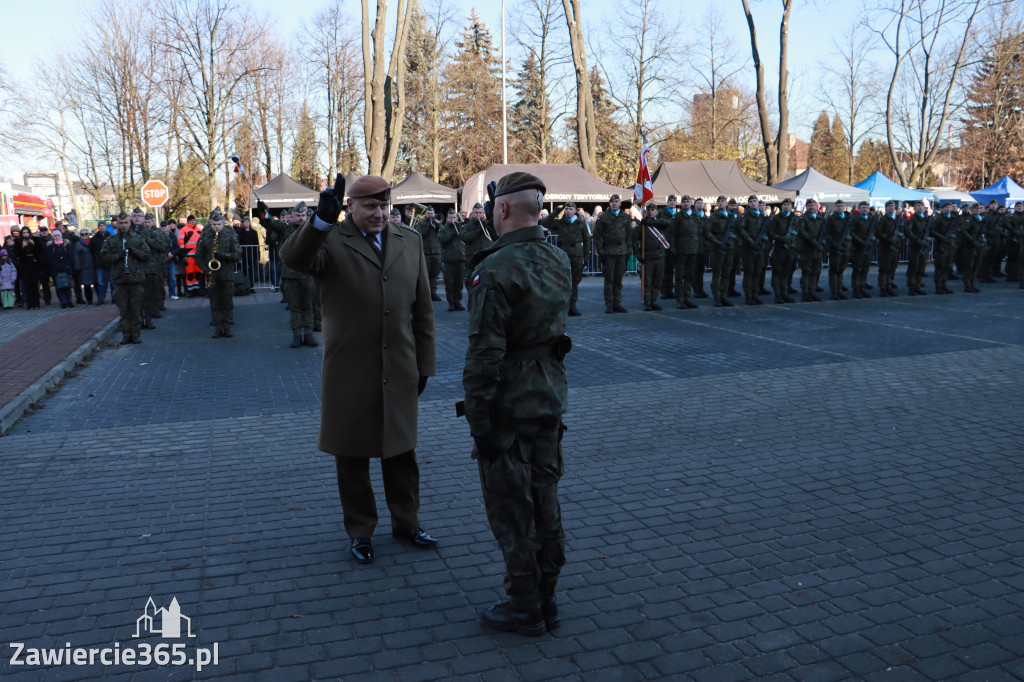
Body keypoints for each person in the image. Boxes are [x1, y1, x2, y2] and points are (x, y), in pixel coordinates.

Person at [279, 174, 438, 565]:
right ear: (351, 206)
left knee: (402, 453)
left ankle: (407, 521)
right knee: (352, 457)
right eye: (370, 206)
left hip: (400, 365)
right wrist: (320, 221)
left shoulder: (410, 240)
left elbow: (423, 311)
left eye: (384, 206)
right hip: (350, 367)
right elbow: (294, 260)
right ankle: (360, 530)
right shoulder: (330, 240)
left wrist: (425, 365)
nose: (379, 213)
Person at [461, 171, 571, 636]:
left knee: (511, 507)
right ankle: (547, 598)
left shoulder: (497, 267)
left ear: (501, 209)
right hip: (548, 395)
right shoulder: (559, 258)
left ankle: (524, 603)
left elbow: (485, 354)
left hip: (508, 403)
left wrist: (479, 421)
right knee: (546, 500)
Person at [256, 201, 318, 347]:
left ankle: (308, 333)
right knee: (295, 306)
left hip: (308, 274)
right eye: (298, 215)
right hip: (290, 274)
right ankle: (297, 334)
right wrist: (263, 211)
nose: (301, 218)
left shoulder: (313, 230)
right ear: (292, 216)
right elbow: (269, 223)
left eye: (303, 215)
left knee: (308, 305)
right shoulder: (285, 228)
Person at [100, 212, 151, 344]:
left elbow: (146, 254)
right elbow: (103, 257)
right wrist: (118, 256)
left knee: (136, 309)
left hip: (136, 279)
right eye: (121, 223)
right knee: (123, 309)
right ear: (117, 224)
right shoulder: (111, 240)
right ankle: (126, 333)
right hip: (120, 279)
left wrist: (133, 250)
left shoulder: (137, 238)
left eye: (126, 223)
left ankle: (135, 334)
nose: (123, 226)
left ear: (130, 223)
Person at [194, 209, 241, 338]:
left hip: (227, 275)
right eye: (214, 224)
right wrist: (205, 269)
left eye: (219, 224)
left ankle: (227, 327)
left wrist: (223, 256)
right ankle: (217, 327)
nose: (216, 227)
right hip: (211, 275)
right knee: (214, 302)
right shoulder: (205, 237)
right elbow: (198, 256)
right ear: (210, 223)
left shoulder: (230, 235)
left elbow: (238, 253)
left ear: (222, 223)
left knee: (227, 302)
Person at [542, 201, 591, 316]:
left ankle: (573, 306)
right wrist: (558, 210)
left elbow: (587, 239)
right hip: (564, 255)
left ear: (575, 211)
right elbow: (545, 222)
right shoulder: (561, 222)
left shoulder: (581, 223)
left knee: (574, 282)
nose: (568, 211)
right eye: (567, 209)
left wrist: (586, 256)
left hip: (578, 255)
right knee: (564, 282)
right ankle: (564, 306)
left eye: (571, 209)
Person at [592, 193, 630, 313]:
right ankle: (609, 304)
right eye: (612, 201)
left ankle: (617, 303)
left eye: (616, 201)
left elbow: (629, 235)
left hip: (622, 251)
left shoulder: (625, 216)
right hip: (608, 251)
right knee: (609, 279)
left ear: (620, 203)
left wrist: (629, 250)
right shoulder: (603, 217)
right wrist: (601, 251)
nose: (614, 203)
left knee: (618, 279)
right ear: (609, 204)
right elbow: (597, 236)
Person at [632, 203, 670, 311]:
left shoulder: (660, 223)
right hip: (647, 257)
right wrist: (638, 255)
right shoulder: (642, 226)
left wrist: (650, 221)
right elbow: (634, 240)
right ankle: (647, 302)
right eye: (648, 209)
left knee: (658, 280)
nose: (650, 211)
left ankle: (654, 301)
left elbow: (667, 223)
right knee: (647, 281)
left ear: (656, 211)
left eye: (652, 209)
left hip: (660, 256)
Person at [670, 195, 702, 309]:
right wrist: (673, 248)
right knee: (680, 276)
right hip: (681, 250)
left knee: (690, 275)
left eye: (688, 202)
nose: (686, 204)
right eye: (684, 202)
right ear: (681, 204)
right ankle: (680, 299)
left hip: (693, 249)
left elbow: (700, 232)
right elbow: (672, 234)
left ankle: (687, 298)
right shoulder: (677, 217)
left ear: (691, 203)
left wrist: (699, 247)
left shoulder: (696, 216)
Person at [707, 196, 738, 307]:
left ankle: (724, 295)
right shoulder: (714, 217)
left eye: (723, 201)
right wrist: (718, 242)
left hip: (729, 248)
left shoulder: (732, 216)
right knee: (717, 274)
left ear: (726, 204)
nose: (721, 203)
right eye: (719, 202)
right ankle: (716, 297)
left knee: (726, 274)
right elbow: (708, 232)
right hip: (718, 249)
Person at [769, 198, 798, 303]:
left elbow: (799, 232)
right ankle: (777, 294)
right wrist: (781, 238)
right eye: (784, 204)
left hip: (791, 249)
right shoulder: (776, 218)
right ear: (781, 206)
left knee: (786, 272)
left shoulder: (795, 218)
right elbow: (771, 232)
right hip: (779, 249)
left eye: (788, 204)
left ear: (791, 206)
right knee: (777, 272)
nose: (786, 206)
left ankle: (784, 293)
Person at [796, 198, 824, 302]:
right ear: (806, 207)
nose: (811, 207)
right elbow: (803, 232)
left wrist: (823, 242)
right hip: (807, 249)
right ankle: (806, 293)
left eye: (813, 205)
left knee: (815, 272)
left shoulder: (820, 218)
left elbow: (825, 232)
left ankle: (812, 291)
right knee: (807, 272)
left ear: (817, 207)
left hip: (818, 249)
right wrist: (814, 242)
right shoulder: (803, 218)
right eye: (809, 205)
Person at [438, 208, 466, 311]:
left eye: (454, 217)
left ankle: (458, 302)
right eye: (450, 218)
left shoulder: (460, 227)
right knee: (450, 283)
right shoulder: (443, 229)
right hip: (449, 260)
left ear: (457, 218)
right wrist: (452, 233)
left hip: (460, 258)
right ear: (447, 218)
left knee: (459, 283)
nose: (452, 219)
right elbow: (442, 240)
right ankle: (451, 303)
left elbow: (466, 238)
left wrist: (459, 229)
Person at [825, 200, 853, 301]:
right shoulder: (831, 218)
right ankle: (834, 292)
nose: (840, 207)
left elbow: (851, 232)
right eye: (838, 206)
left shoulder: (848, 218)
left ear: (844, 207)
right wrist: (834, 243)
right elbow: (827, 233)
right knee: (834, 270)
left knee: (841, 270)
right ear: (835, 207)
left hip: (845, 247)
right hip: (835, 247)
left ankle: (840, 290)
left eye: (842, 206)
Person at [460, 203, 494, 285]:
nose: (478, 215)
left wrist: (489, 226)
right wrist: (478, 230)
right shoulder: (467, 226)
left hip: (486, 259)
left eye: (480, 213)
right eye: (476, 213)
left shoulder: (487, 224)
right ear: (472, 214)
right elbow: (465, 237)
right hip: (472, 259)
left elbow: (495, 236)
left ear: (483, 213)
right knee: (471, 282)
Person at [415, 206, 444, 302]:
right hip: (426, 252)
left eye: (432, 214)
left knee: (434, 274)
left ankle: (433, 293)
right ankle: (425, 294)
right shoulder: (421, 223)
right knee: (425, 274)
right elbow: (419, 234)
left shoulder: (437, 222)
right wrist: (429, 225)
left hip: (436, 251)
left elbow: (442, 232)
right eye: (429, 214)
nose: (431, 215)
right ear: (425, 214)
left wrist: (437, 224)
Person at [848, 201, 875, 299]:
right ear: (859, 209)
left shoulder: (871, 219)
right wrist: (861, 242)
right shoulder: (855, 219)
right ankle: (856, 289)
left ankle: (862, 287)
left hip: (868, 248)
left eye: (866, 207)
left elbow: (874, 232)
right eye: (863, 207)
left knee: (865, 269)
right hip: (858, 248)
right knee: (857, 269)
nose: (865, 209)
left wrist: (872, 240)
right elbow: (852, 233)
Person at [875, 201, 902, 296]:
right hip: (885, 247)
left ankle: (889, 286)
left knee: (892, 268)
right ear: (886, 208)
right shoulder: (883, 219)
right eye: (889, 206)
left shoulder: (898, 218)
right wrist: (888, 239)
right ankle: (883, 288)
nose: (891, 207)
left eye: (893, 206)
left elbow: (902, 230)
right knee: (884, 268)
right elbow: (878, 232)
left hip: (895, 248)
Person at [905, 201, 930, 296]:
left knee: (921, 267)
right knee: (913, 267)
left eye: (922, 206)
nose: (920, 207)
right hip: (915, 246)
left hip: (924, 246)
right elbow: (908, 231)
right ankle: (912, 287)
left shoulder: (926, 219)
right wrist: (918, 240)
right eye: (918, 206)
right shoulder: (912, 219)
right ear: (914, 208)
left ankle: (918, 286)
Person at [657, 195, 679, 299]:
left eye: (674, 200)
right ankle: (663, 290)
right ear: (667, 202)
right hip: (664, 243)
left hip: (675, 245)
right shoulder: (661, 213)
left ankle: (670, 290)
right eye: (670, 201)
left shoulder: (679, 214)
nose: (672, 202)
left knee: (671, 269)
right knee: (663, 269)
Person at [236, 214, 260, 292]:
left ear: (250, 223)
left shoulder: (254, 232)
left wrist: (257, 256)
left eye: (247, 222)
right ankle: (245, 287)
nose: (246, 223)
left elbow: (257, 244)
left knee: (252, 271)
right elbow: (238, 244)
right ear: (243, 223)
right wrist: (239, 256)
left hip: (252, 254)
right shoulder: (239, 232)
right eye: (245, 222)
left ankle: (252, 287)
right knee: (244, 271)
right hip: (243, 254)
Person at [73, 227, 97, 305]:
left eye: (86, 234)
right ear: (80, 235)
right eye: (82, 234)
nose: (84, 235)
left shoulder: (92, 242)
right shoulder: (78, 244)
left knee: (97, 283)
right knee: (87, 285)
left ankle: (100, 298)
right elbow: (76, 256)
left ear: (89, 234)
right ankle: (89, 300)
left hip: (94, 266)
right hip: (84, 267)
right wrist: (78, 267)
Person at [90, 221, 110, 303]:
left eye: (103, 225)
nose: (102, 227)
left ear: (106, 226)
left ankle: (115, 298)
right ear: (98, 227)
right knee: (100, 282)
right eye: (100, 225)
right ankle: (101, 299)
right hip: (99, 264)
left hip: (110, 263)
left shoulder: (110, 237)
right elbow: (92, 251)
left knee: (112, 283)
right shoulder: (94, 239)